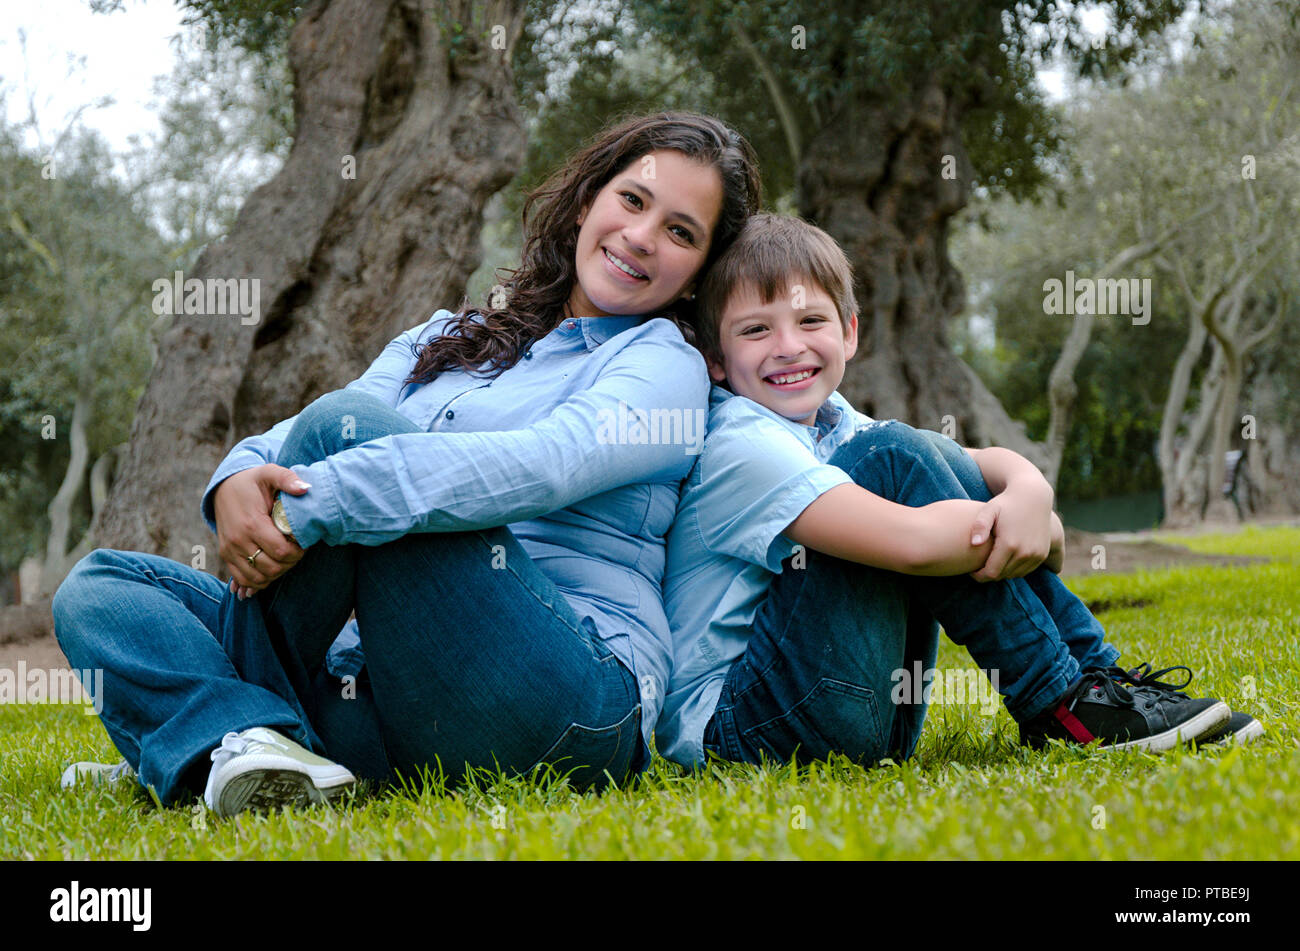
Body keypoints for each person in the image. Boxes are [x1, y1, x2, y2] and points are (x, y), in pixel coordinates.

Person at [53, 111, 763, 816]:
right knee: (100, 588)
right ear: (587, 202)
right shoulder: (449, 336)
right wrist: (238, 476)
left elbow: (549, 460)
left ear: (701, 269)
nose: (641, 237)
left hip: (564, 699)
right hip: (391, 701)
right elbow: (309, 426)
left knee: (347, 434)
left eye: (680, 232)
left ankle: (201, 736)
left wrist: (312, 502)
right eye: (632, 201)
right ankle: (242, 742)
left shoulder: (664, 363)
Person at [656, 213, 1263, 770]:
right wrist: (1015, 524)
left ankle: (1098, 684)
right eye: (756, 330)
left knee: (914, 454)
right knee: (895, 454)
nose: (788, 346)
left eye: (810, 321)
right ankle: (1062, 701)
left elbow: (987, 482)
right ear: (715, 358)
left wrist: (1028, 489)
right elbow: (919, 545)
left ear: (849, 333)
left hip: (867, 719)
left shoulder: (837, 424)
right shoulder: (739, 442)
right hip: (745, 731)